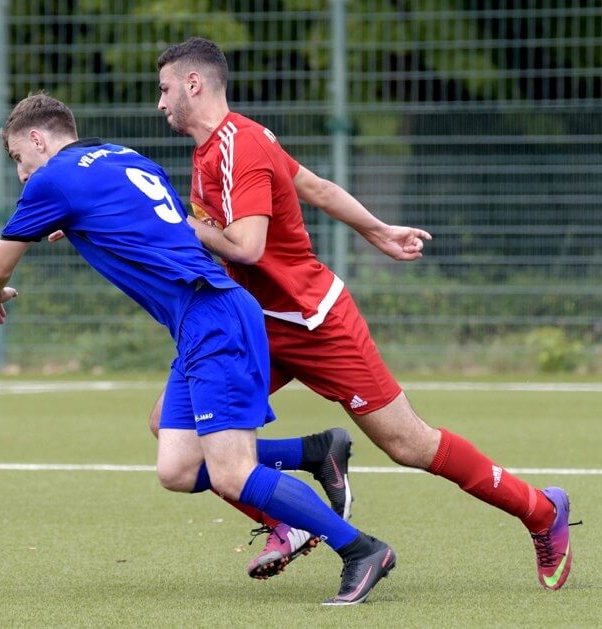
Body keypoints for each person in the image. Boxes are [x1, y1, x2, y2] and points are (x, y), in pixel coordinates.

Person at [153, 36, 577, 591]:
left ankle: (541, 511)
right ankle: (298, 495)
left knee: (410, 445)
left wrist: (184, 228)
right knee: (173, 436)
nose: (159, 103)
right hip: (251, 325)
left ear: (194, 84)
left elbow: (248, 245)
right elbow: (315, 187)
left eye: (164, 89)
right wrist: (378, 230)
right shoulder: (213, 150)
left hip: (312, 323)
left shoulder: (241, 146)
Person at [0, 92, 395, 605]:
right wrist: (86, 223)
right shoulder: (123, 156)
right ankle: (310, 452)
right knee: (177, 467)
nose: (22, 174)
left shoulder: (51, 179)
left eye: (19, 158)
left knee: (232, 472)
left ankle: (361, 550)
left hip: (213, 316)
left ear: (39, 139)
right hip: (204, 319)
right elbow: (165, 222)